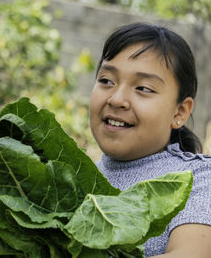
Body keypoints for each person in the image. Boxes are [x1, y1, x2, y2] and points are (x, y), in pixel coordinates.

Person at [90, 22, 211, 257]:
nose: (117, 99)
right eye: (106, 81)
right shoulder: (74, 179)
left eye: (143, 88)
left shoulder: (197, 179)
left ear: (179, 113)